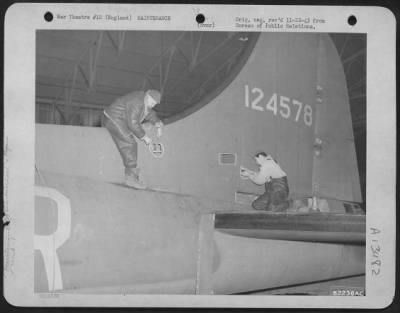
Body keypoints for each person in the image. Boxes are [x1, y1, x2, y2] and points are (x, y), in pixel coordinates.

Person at [103, 89, 163, 189]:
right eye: (152, 102)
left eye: (155, 104)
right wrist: (145, 138)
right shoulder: (136, 102)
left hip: (123, 118)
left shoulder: (145, 102)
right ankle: (130, 177)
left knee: (133, 135)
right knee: (129, 143)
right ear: (147, 96)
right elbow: (133, 122)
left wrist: (157, 123)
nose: (152, 105)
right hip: (113, 118)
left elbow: (150, 113)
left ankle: (132, 172)